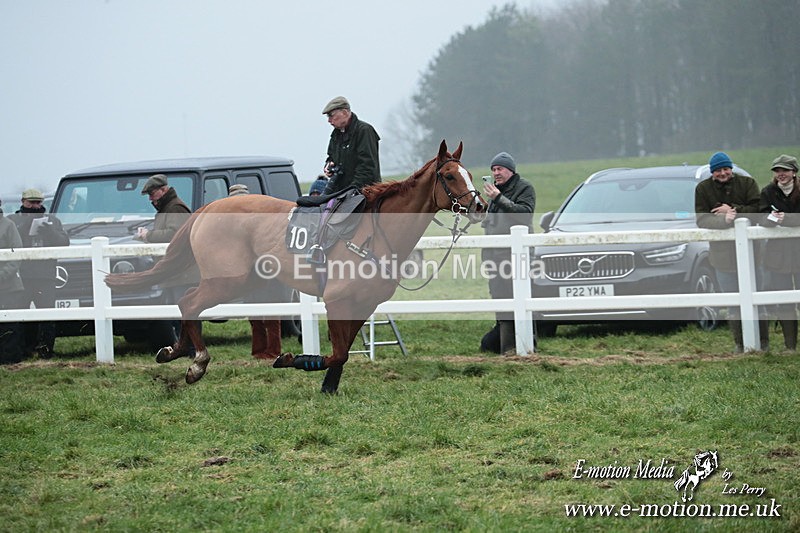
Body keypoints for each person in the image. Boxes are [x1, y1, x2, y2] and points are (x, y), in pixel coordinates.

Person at [695, 151, 767, 352]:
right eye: (718, 170)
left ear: (731, 169)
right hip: (722, 257)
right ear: (712, 172)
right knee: (733, 302)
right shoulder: (703, 189)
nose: (722, 173)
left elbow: (758, 210)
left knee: (757, 298)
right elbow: (702, 219)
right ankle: (740, 343)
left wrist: (732, 210)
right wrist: (723, 221)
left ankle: (763, 343)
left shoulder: (747, 184)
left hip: (753, 255)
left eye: (726, 169)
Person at [479, 151, 536, 354]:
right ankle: (506, 348)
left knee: (520, 301)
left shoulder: (524, 188)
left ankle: (523, 346)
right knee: (500, 300)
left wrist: (498, 198)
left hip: (516, 257)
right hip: (494, 257)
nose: (496, 173)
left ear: (510, 170)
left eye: (500, 169)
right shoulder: (495, 192)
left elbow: (524, 215)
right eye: (493, 169)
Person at [8, 188, 69, 358]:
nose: (35, 206)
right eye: (31, 202)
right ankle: (22, 350)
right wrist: (25, 227)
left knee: (47, 315)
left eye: (38, 202)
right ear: (23, 202)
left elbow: (64, 243)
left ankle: (46, 350)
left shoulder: (53, 221)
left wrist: (50, 233)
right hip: (21, 276)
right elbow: (8, 242)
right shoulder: (12, 220)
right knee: (20, 315)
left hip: (45, 276)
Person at [137, 174, 195, 345]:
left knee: (185, 312)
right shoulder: (170, 207)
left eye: (152, 193)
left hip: (181, 273)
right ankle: (187, 347)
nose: (150, 199)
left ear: (163, 190)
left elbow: (174, 234)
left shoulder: (175, 208)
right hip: (175, 272)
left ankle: (192, 348)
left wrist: (148, 235)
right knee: (179, 314)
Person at [759, 154, 800, 351]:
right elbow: (760, 216)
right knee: (784, 302)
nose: (780, 174)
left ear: (794, 172)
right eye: (777, 170)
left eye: (785, 170)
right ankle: (790, 346)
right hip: (778, 256)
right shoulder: (768, 192)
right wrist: (772, 219)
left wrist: (788, 219)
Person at [321, 96, 381, 194]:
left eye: (331, 115)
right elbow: (331, 156)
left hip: (366, 193)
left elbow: (367, 166)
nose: (329, 120)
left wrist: (351, 190)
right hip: (342, 192)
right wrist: (328, 166)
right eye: (328, 117)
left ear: (345, 113)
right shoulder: (336, 134)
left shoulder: (364, 131)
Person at [0, 197, 26, 364]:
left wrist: (3, 275)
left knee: (10, 325)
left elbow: (17, 254)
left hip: (8, 286)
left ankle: (10, 359)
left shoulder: (8, 225)